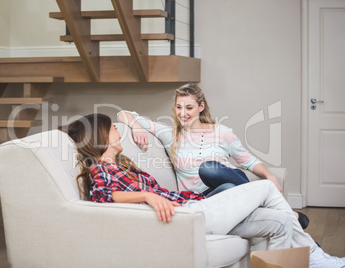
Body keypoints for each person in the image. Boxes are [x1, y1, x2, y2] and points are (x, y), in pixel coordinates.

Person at [67, 113, 345, 268]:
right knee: (264, 189)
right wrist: (147, 195)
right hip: (188, 216)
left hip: (198, 208)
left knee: (282, 221)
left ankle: (313, 257)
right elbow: (104, 198)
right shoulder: (99, 169)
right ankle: (322, 261)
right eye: (111, 128)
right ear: (101, 137)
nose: (117, 129)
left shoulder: (123, 164)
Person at [117, 83, 309, 229]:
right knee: (227, 187)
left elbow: (248, 161)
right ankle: (286, 213)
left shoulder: (222, 132)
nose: (182, 114)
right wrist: (135, 126)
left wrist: (269, 176)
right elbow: (123, 114)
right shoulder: (169, 134)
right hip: (206, 198)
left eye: (189, 108)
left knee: (210, 169)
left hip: (232, 180)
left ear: (201, 107)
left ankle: (270, 201)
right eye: (178, 107)